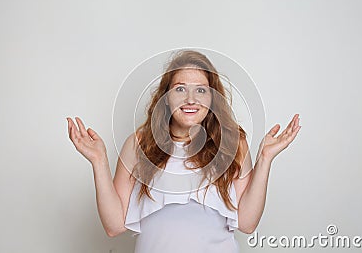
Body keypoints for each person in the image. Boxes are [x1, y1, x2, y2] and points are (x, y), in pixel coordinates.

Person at [66, 50, 301, 253]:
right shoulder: (139, 144)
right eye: (180, 89)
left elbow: (248, 223)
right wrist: (99, 162)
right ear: (166, 98)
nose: (190, 99)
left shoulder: (233, 144)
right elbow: (113, 225)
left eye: (200, 90)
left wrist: (265, 158)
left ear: (212, 98)